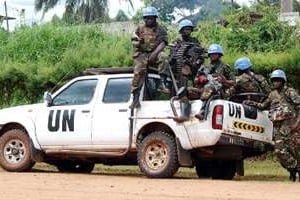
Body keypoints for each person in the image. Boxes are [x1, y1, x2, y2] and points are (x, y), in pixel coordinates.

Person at [244, 69, 300, 181]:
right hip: (278, 128)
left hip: (291, 126)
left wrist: (297, 124)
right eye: (274, 80)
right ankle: (294, 169)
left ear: (283, 81)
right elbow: (263, 106)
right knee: (279, 151)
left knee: (295, 150)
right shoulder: (272, 94)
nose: (275, 83)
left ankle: (294, 173)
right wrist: (251, 103)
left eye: (278, 80)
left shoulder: (290, 92)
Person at [130, 6, 170, 109]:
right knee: (138, 71)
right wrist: (139, 42)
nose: (149, 20)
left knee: (164, 57)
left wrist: (154, 54)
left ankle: (162, 83)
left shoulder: (160, 29)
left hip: (155, 52)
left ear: (155, 18)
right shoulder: (140, 28)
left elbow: (163, 43)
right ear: (144, 19)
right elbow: (134, 42)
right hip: (142, 53)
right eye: (147, 18)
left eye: (151, 18)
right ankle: (135, 99)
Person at [171, 19, 205, 123]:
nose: (188, 31)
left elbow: (201, 56)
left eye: (189, 29)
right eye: (185, 29)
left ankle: (187, 110)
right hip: (179, 69)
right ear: (181, 30)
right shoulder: (177, 42)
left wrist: (196, 61)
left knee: (188, 89)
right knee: (180, 88)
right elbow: (173, 56)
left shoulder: (195, 41)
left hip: (193, 69)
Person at [194, 43, 235, 120]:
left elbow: (233, 82)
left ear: (219, 55)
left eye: (215, 54)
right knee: (186, 90)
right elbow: (195, 81)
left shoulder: (224, 67)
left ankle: (202, 113)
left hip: (217, 90)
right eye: (211, 54)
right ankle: (183, 113)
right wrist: (200, 79)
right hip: (202, 89)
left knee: (208, 87)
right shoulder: (204, 66)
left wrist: (224, 81)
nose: (212, 56)